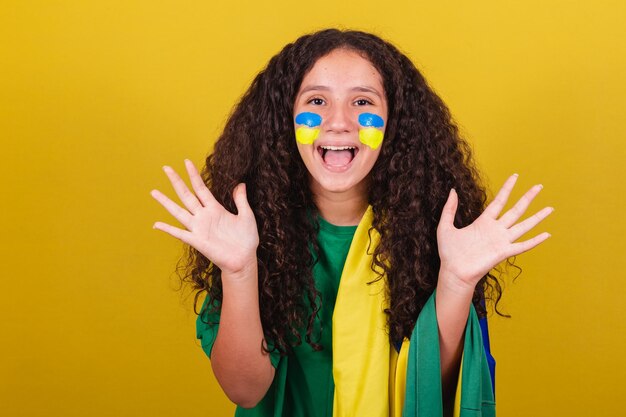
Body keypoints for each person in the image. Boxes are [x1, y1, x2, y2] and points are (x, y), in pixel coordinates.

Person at [151, 29, 553, 417]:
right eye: (317, 101)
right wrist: (239, 270)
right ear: (284, 120)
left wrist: (457, 281)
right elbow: (245, 390)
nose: (339, 121)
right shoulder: (246, 232)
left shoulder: (434, 234)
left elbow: (434, 392)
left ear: (394, 122)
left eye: (363, 102)